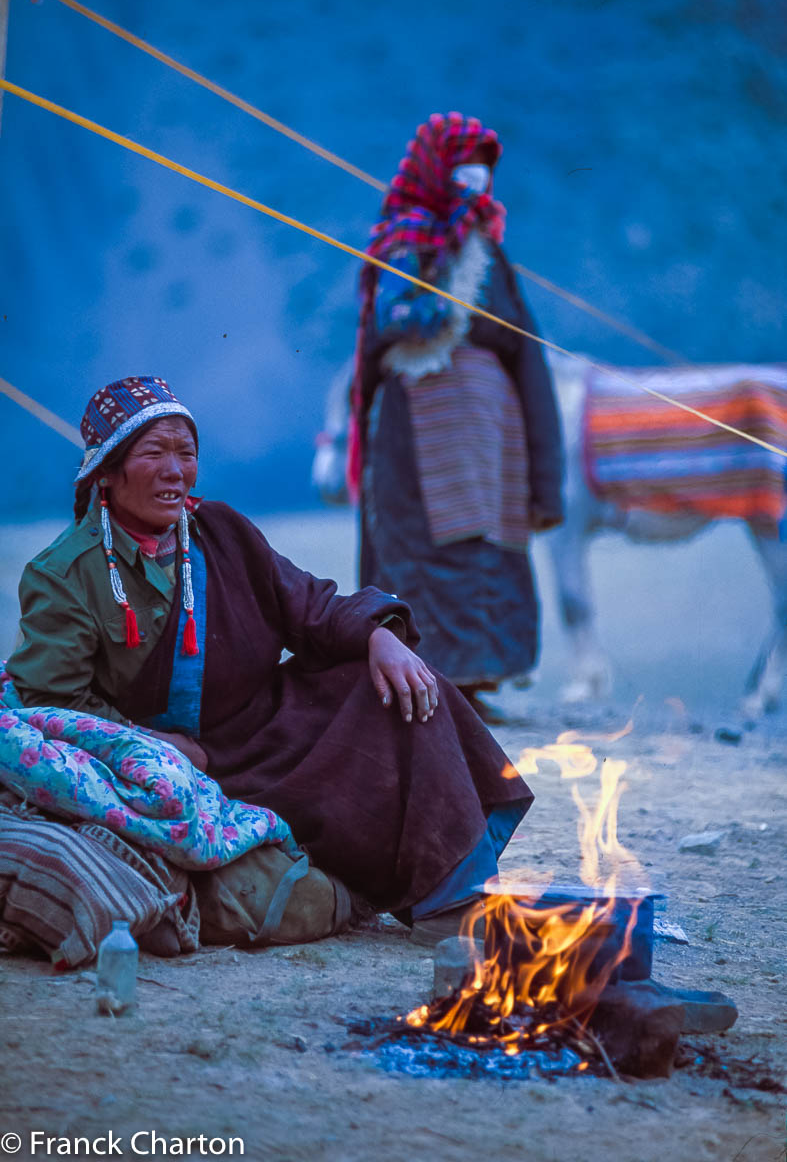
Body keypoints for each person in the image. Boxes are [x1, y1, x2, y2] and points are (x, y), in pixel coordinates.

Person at [5, 376, 533, 940]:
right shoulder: (64, 573)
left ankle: (454, 895)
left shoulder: (221, 531)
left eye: (186, 453)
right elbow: (50, 702)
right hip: (177, 759)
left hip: (264, 729)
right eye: (154, 452)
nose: (175, 470)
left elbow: (309, 606)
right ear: (107, 472)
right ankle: (396, 887)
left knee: (401, 691)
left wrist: (380, 635)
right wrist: (147, 743)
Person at [348, 112, 564, 721]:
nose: (476, 178)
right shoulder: (402, 241)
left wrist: (545, 480)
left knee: (486, 543)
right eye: (465, 163)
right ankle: (428, 680)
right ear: (436, 167)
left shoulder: (489, 253)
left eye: (484, 167)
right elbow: (387, 327)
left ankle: (478, 679)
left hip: (497, 436)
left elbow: (528, 353)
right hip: (416, 421)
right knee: (423, 542)